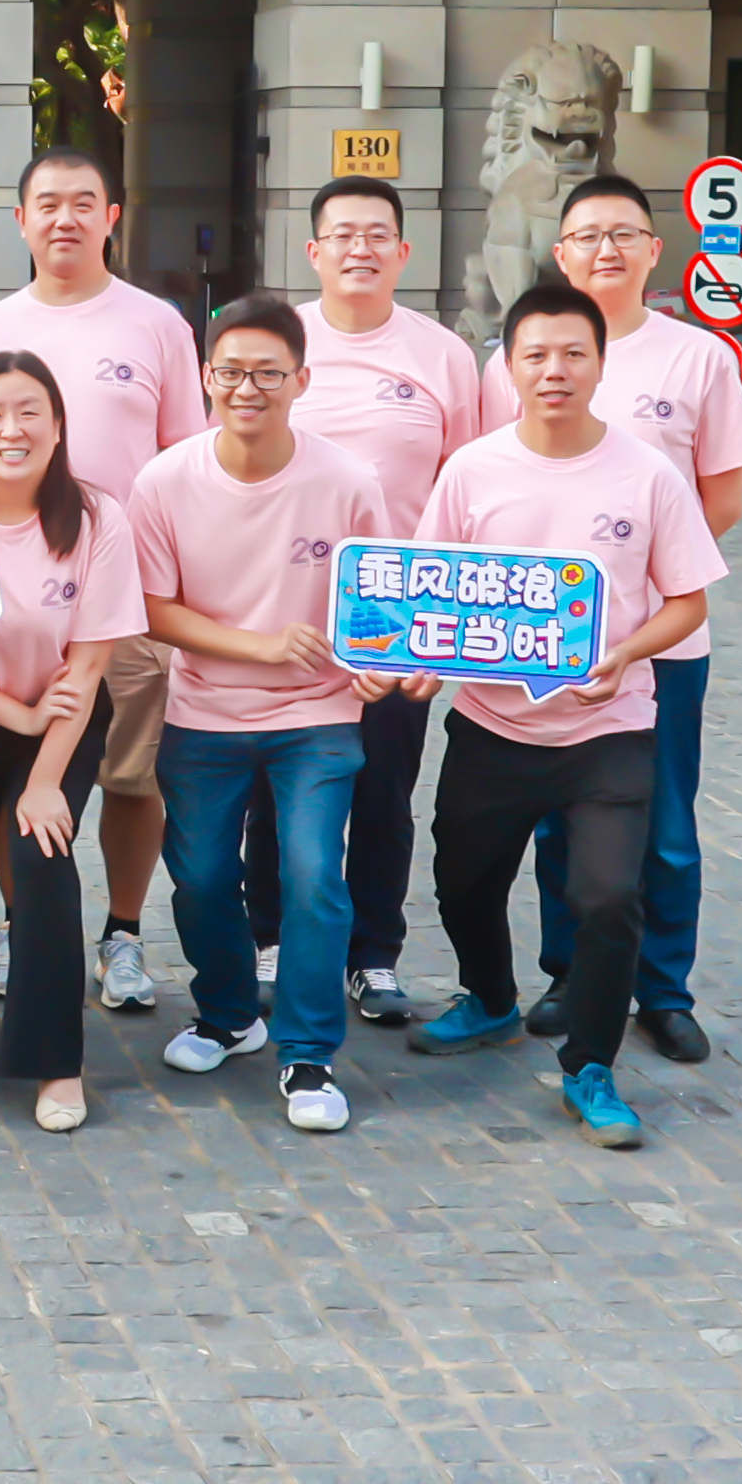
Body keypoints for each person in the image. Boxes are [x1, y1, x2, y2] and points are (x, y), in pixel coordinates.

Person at [407, 283, 729, 1149]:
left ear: (600, 364)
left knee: (609, 897)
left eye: (573, 354)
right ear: (508, 368)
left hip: (609, 730)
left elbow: (687, 601)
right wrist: (422, 666)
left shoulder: (648, 474)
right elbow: (432, 593)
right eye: (536, 355)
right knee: (462, 881)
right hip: (491, 727)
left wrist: (622, 654)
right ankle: (490, 996)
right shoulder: (471, 470)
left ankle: (591, 1066)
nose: (555, 370)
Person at [478, 174, 742, 1062]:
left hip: (661, 640)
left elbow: (722, 499)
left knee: (665, 825)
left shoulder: (699, 360)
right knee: (562, 819)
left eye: (624, 234)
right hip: (545, 640)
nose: (606, 250)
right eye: (588, 236)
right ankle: (570, 975)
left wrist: (642, 595)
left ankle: (664, 990)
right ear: (561, 254)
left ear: (653, 251)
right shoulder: (514, 359)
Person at [124, 295, 392, 1135]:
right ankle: (229, 1014)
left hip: (318, 715)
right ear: (206, 377)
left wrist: (378, 662)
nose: (248, 388)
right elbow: (154, 608)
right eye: (232, 372)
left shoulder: (348, 481)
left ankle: (308, 1053)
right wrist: (261, 645)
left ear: (302, 380)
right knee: (202, 878)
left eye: (268, 374)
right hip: (204, 713)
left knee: (313, 875)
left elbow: (378, 596)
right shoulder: (165, 479)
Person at [0, 146, 209, 1018]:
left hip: (127, 599)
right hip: (10, 604)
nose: (64, 218)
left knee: (133, 779)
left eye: (83, 203)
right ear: (21, 220)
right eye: (47, 203)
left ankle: (124, 933)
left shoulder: (157, 325)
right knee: (16, 776)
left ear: (112, 217)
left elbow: (184, 465)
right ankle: (24, 927)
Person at [0, 351, 148, 1133]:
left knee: (41, 863)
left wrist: (43, 779)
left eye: (29, 412)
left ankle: (56, 1062)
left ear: (58, 426)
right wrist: (14, 717)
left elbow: (89, 664)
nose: (11, 430)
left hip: (66, 717)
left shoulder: (98, 518)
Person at [255, 174, 480, 1024]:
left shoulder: (442, 356)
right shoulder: (280, 341)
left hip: (398, 610)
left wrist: (442, 635)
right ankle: (271, 938)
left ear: (403, 252)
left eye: (377, 234)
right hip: (285, 603)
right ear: (314, 251)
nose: (361, 248)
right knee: (274, 786)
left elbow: (469, 493)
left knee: (384, 790)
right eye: (344, 234)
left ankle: (374, 954)